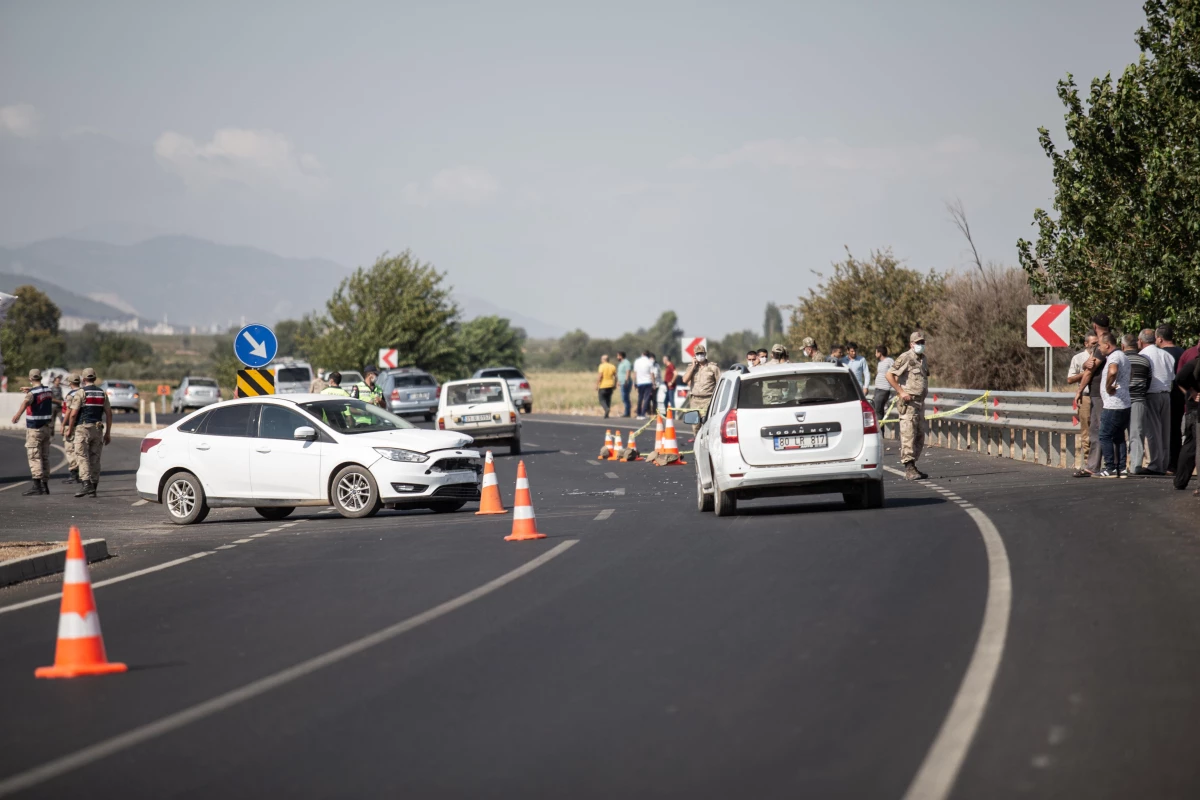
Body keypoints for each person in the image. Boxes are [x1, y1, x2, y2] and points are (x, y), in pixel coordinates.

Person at [886, 331, 930, 480]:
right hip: (909, 403)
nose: (920, 345)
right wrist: (900, 391)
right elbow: (889, 375)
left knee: (919, 436)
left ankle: (913, 465)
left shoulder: (923, 359)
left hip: (919, 403)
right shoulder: (906, 357)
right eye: (917, 343)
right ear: (911, 344)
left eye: (922, 342)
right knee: (908, 435)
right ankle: (908, 467)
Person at [1072, 316, 1111, 476]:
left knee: (1099, 430)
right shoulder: (1112, 341)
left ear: (1095, 326)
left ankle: (1100, 466)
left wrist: (1080, 390)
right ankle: (1102, 465)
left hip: (1099, 393)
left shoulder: (1103, 343)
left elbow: (1090, 370)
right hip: (1105, 392)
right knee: (1100, 429)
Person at [64, 367, 112, 498]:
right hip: (98, 429)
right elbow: (109, 413)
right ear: (95, 378)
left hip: (83, 428)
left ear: (84, 379)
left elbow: (73, 414)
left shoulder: (81, 393)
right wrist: (108, 433)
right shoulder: (102, 393)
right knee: (95, 458)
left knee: (82, 455)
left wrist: (69, 429)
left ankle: (86, 484)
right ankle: (94, 487)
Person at [10, 369, 55, 496]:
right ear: (40, 378)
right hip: (47, 428)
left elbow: (26, 402)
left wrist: (17, 415)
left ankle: (37, 486)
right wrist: (30, 390)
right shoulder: (48, 390)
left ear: (30, 379)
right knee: (45, 456)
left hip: (35, 428)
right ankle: (45, 485)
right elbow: (39, 393)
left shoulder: (31, 394)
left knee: (34, 456)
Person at [1137, 329, 1174, 474]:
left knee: (1153, 431)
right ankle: (1164, 463)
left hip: (1151, 394)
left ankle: (1155, 464)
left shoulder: (1143, 355)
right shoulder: (1166, 354)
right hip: (1166, 394)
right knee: (1165, 431)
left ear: (1141, 341)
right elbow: (1171, 376)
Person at [1095, 332, 1131, 478]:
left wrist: (1109, 386)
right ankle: (1121, 468)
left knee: (1104, 435)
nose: (1099, 348)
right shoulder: (1124, 356)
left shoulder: (1114, 357)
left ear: (1107, 345)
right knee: (1119, 436)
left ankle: (1109, 467)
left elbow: (1113, 371)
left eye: (1100, 345)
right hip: (1124, 403)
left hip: (1113, 404)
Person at [1067, 333, 1100, 476]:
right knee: (1087, 431)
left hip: (1099, 397)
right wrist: (1086, 371)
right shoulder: (1078, 358)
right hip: (1085, 396)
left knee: (1100, 430)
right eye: (1093, 343)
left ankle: (1101, 463)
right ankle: (1088, 463)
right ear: (1086, 344)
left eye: (1097, 343)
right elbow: (1070, 379)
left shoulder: (1103, 357)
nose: (1095, 346)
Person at [1156, 325, 1185, 471]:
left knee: (1165, 430)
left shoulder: (1161, 354)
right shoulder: (1182, 352)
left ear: (1160, 339)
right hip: (1182, 396)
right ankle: (1177, 461)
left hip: (1167, 395)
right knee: (1176, 430)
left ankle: (1169, 463)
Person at [1124, 334, 1152, 473]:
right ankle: (1135, 466)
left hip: (1122, 400)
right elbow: (1149, 381)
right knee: (1137, 433)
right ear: (1137, 344)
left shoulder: (1120, 359)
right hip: (1139, 400)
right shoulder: (1145, 361)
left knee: (1117, 433)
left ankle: (1119, 466)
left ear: (1123, 346)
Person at [681, 343, 721, 432]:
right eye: (697, 354)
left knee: (707, 424)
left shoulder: (713, 367)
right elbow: (684, 380)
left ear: (705, 354)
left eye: (701, 353)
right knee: (695, 426)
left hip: (708, 399)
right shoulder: (691, 368)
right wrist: (693, 367)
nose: (700, 356)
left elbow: (719, 383)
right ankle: (697, 441)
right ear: (694, 356)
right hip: (695, 400)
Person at [60, 373, 82, 484]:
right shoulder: (83, 393)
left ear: (70, 383)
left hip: (70, 424)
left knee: (70, 449)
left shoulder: (70, 395)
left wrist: (63, 425)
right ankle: (82, 473)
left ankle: (74, 473)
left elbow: (69, 411)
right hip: (80, 424)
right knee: (80, 449)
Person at [872, 345, 894, 431]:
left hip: (884, 389)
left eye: (876, 352)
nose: (875, 354)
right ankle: (879, 430)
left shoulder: (889, 361)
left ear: (879, 353)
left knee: (878, 410)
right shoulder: (879, 363)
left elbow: (896, 371)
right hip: (877, 389)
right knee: (877, 410)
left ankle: (880, 432)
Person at [632, 350, 654, 419]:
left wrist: (634, 382)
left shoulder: (637, 361)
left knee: (640, 398)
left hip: (640, 382)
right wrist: (654, 383)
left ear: (642, 354)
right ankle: (643, 413)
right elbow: (652, 373)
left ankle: (638, 413)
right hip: (648, 382)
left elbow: (635, 373)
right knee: (646, 398)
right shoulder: (650, 362)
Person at [615, 351, 633, 418]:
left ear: (621, 356)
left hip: (625, 382)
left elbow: (628, 372)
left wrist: (626, 381)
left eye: (618, 356)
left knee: (625, 397)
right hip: (621, 382)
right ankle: (627, 411)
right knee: (624, 398)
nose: (617, 357)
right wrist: (618, 381)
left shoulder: (626, 362)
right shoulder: (620, 363)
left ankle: (627, 412)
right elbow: (620, 373)